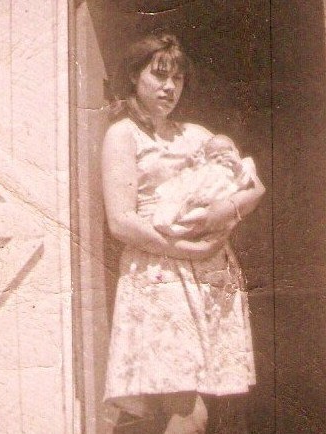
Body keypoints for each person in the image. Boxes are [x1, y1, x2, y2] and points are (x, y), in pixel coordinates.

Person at [102, 33, 265, 434]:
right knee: (188, 411)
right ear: (133, 78)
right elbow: (120, 221)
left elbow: (254, 186)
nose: (169, 87)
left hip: (210, 281)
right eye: (158, 76)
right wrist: (185, 249)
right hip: (160, 276)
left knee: (199, 406)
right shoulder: (122, 135)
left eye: (176, 78)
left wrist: (227, 208)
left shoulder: (195, 134)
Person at [152, 134, 256, 238]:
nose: (220, 158)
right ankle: (169, 221)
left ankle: (177, 226)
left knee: (199, 217)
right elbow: (196, 180)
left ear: (236, 153)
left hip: (220, 199)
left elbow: (244, 180)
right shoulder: (208, 168)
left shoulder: (240, 166)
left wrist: (237, 165)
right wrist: (197, 166)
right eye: (214, 156)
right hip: (199, 197)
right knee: (181, 201)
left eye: (225, 154)